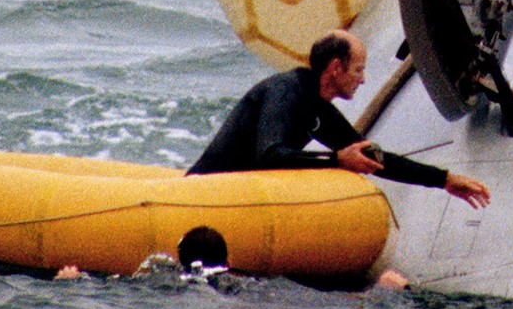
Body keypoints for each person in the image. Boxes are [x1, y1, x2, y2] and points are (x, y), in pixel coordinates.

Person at [190, 30, 493, 208]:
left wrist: (444, 180)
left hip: (237, 197)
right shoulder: (285, 91)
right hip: (202, 193)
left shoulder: (319, 107)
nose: (363, 79)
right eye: (358, 69)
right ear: (336, 68)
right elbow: (269, 154)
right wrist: (336, 160)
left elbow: (373, 158)